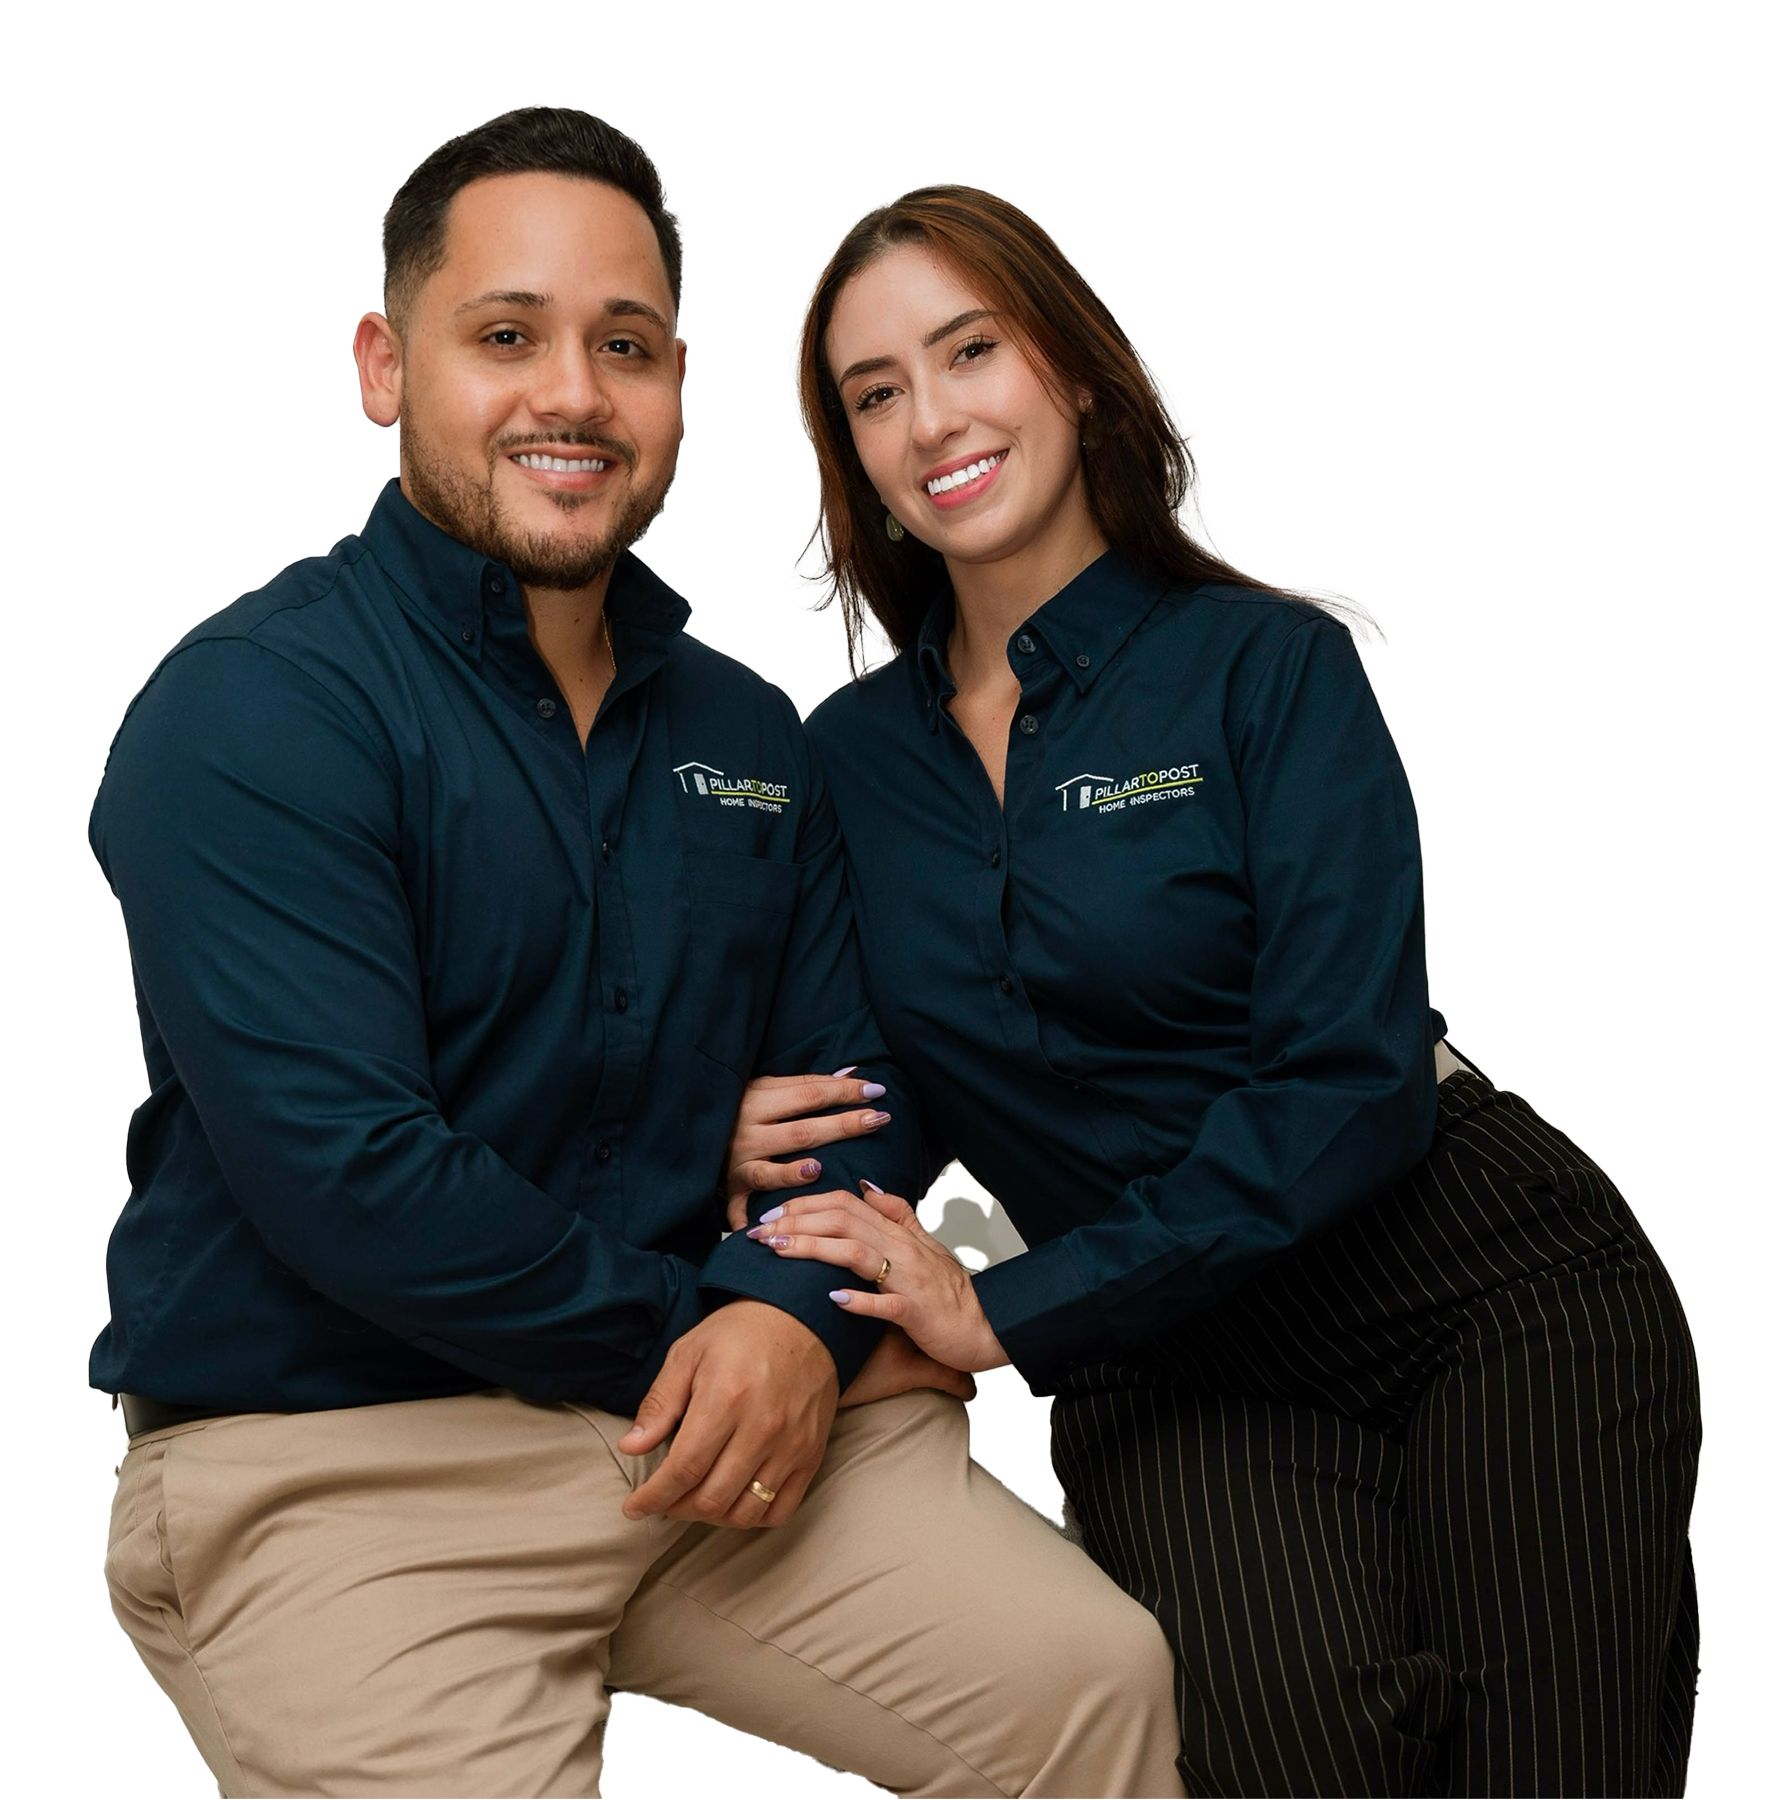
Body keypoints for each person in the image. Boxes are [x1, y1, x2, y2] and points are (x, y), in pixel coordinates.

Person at [92, 117, 1188, 1799]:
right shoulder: (256, 711)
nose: (572, 396)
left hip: (717, 1435)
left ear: (678, 380)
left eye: (624, 347)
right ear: (388, 367)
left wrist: (779, 1320)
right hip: (341, 1461)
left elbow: (860, 1079)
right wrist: (739, 1319)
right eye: (506, 336)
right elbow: (351, 1174)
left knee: (1095, 1686)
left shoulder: (747, 734)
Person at [725, 186, 1702, 1798]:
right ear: (855, 460)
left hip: (1478, 1288)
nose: (931, 416)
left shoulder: (1264, 668)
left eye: (970, 351)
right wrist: (728, 1136)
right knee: (1282, 1761)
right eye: (874, 391)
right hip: (1174, 1369)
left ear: (1077, 376)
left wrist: (1000, 1312)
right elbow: (870, 1089)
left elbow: (1346, 1083)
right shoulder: (844, 767)